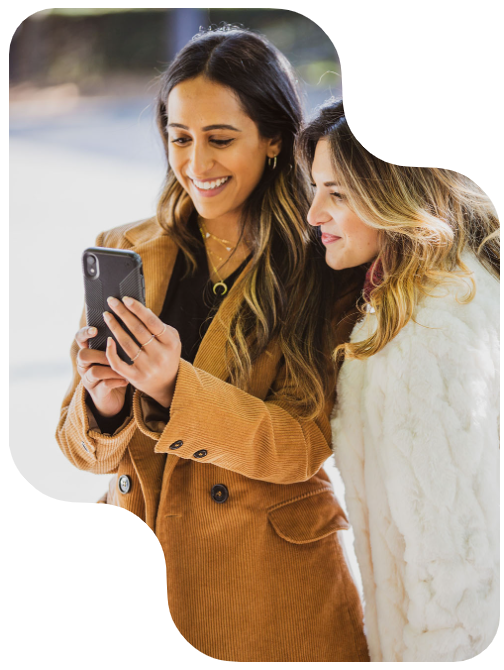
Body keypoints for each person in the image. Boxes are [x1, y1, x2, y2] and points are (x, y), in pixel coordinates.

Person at [55, 29, 369, 662]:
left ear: (276, 138)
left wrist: (176, 389)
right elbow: (80, 452)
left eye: (221, 140)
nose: (197, 165)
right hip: (140, 576)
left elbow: (302, 445)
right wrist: (104, 405)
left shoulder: (323, 262)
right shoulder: (128, 246)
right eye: (180, 138)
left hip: (263, 586)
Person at [300, 98, 500, 662]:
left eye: (336, 194)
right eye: (316, 189)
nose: (314, 214)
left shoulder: (425, 337)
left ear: (395, 197)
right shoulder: (452, 284)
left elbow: (455, 574)